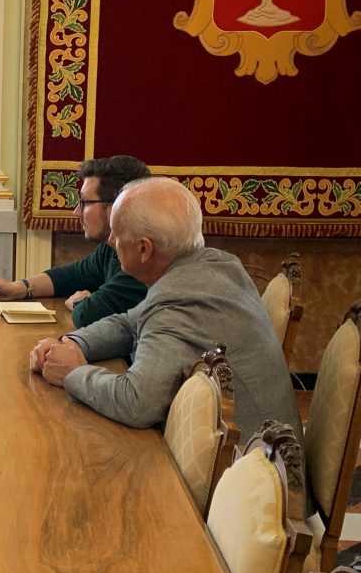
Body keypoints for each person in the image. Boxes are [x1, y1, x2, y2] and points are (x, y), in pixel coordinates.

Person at [30, 177, 303, 449]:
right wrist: (72, 343)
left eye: (117, 233)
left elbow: (137, 403)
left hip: (246, 475)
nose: (110, 241)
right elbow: (129, 322)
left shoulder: (177, 303)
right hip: (258, 457)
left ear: (144, 249)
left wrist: (73, 372)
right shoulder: (218, 264)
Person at [0, 155, 150, 327]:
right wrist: (17, 289)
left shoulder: (140, 257)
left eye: (84, 202)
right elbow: (72, 275)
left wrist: (78, 303)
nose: (76, 212)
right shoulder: (111, 248)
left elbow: (89, 314)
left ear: (115, 206)